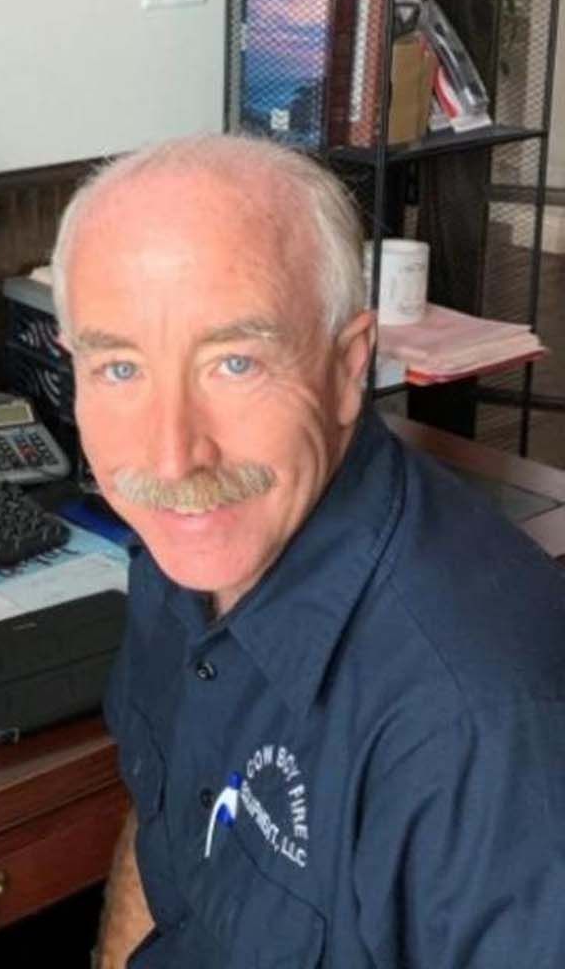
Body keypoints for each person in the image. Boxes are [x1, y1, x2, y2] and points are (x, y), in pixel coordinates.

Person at [50, 134, 565, 967]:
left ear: (347, 368)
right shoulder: (185, 546)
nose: (174, 458)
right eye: (120, 370)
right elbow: (168, 828)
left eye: (236, 362)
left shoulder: (476, 730)